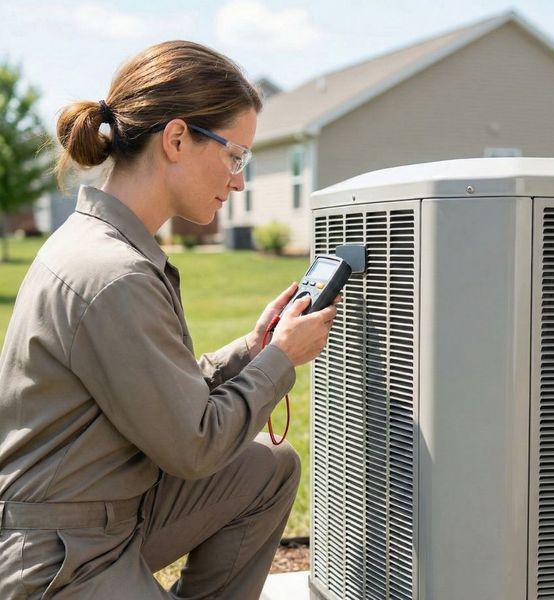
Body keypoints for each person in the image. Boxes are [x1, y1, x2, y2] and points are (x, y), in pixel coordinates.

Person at [0, 40, 337, 599]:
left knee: (267, 468)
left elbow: (160, 397)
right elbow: (194, 446)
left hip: (104, 518)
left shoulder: (104, 247)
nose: (239, 181)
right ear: (177, 139)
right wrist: (281, 359)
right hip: (59, 561)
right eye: (235, 156)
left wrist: (253, 348)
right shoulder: (115, 273)